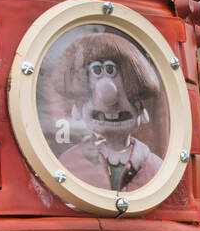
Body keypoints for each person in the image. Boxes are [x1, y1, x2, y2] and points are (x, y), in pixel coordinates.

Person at [51, 30, 165, 191]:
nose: (109, 98)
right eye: (97, 71)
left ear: (139, 105)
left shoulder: (155, 167)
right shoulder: (70, 163)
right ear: (79, 104)